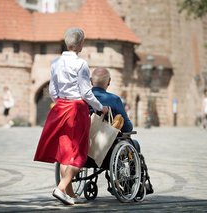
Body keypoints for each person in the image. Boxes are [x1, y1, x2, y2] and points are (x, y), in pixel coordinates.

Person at [34, 28, 108, 205]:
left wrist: (61, 101)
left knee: (65, 152)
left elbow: (52, 90)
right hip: (76, 109)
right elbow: (86, 92)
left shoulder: (55, 62)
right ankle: (60, 189)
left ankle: (70, 195)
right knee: (78, 153)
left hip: (60, 108)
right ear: (80, 43)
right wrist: (100, 107)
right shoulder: (81, 64)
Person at [91, 67, 140, 151]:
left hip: (83, 145)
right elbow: (127, 127)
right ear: (109, 81)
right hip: (106, 149)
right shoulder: (114, 99)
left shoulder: (82, 98)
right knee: (135, 144)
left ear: (91, 80)